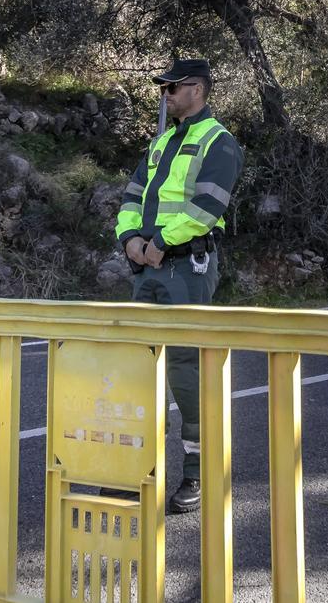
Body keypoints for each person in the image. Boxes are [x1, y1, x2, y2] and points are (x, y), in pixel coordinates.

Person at [116, 57, 242, 514]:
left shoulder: (219, 142)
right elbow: (132, 196)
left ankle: (197, 473)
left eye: (173, 87)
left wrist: (161, 243)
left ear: (198, 90)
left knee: (186, 369)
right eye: (164, 88)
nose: (166, 94)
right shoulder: (161, 142)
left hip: (187, 267)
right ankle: (139, 468)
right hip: (148, 268)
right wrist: (129, 240)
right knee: (139, 365)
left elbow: (207, 207)